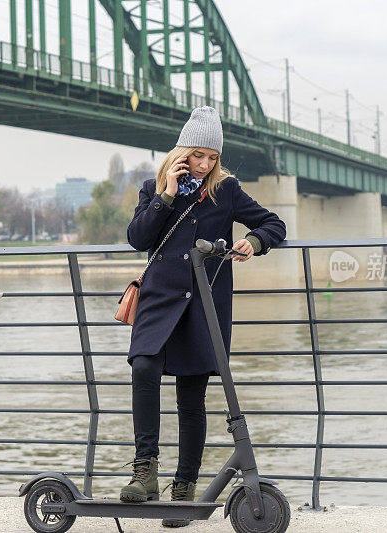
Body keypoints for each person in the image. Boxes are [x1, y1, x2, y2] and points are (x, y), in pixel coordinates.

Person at [122, 106, 287, 527]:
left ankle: (184, 491)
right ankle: (145, 473)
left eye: (213, 157)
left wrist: (253, 240)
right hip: (159, 302)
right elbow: (138, 239)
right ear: (183, 152)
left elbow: (274, 223)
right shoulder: (154, 187)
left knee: (191, 399)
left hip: (203, 306)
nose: (207, 164)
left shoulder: (226, 190)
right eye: (199, 155)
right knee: (143, 369)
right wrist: (167, 195)